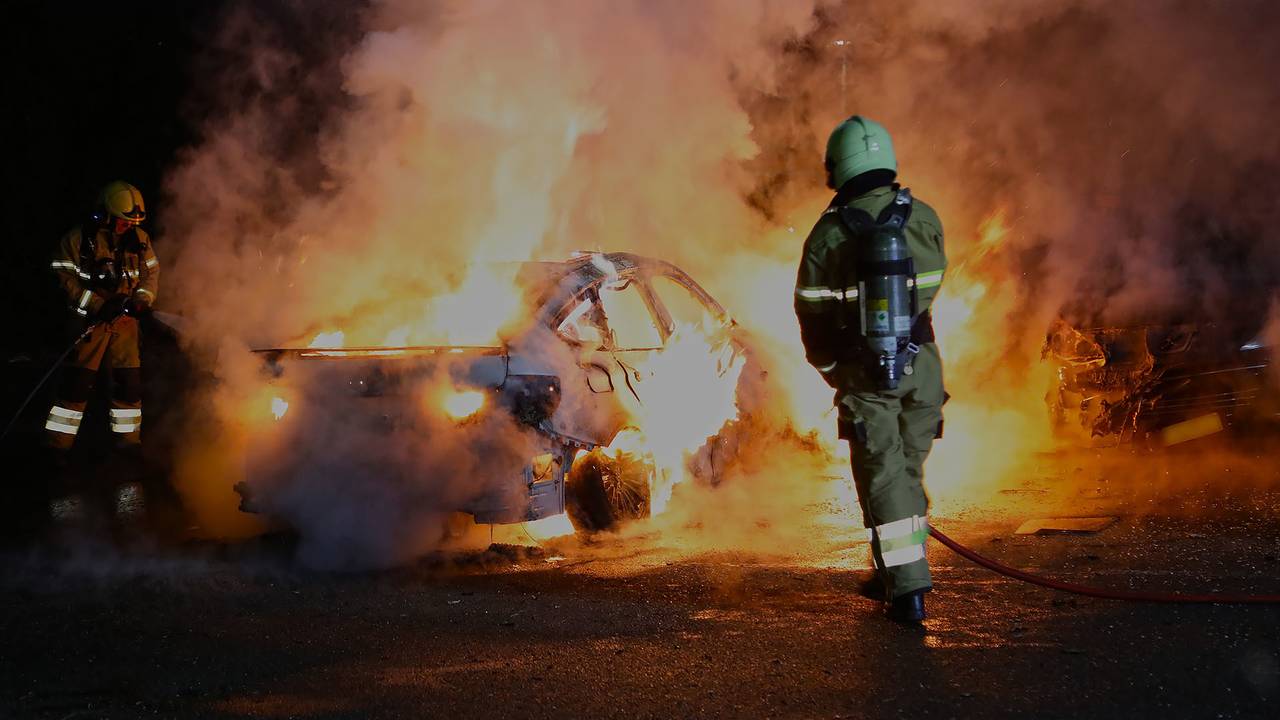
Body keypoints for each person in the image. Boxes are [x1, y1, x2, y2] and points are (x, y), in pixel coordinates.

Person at [794, 116, 947, 623]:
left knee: (882, 475)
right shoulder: (923, 217)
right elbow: (932, 288)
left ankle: (908, 591)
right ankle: (892, 573)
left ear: (836, 167)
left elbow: (812, 313)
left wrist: (832, 368)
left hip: (865, 374)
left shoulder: (827, 236)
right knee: (905, 473)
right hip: (922, 369)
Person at [45, 181, 158, 454]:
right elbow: (63, 279)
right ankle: (57, 449)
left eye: (132, 223)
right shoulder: (78, 240)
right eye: (123, 221)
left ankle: (129, 447)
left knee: (128, 386)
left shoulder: (140, 239)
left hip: (126, 324)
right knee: (76, 385)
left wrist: (142, 300)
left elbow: (151, 275)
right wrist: (97, 305)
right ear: (104, 215)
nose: (127, 227)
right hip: (90, 324)